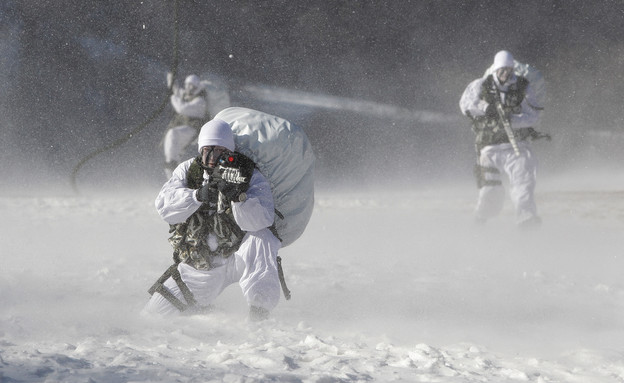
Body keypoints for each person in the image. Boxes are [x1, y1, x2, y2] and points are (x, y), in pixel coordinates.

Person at [144, 118, 283, 321]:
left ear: (229, 151)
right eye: (207, 149)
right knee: (152, 317)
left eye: (219, 150)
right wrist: (197, 196)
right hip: (202, 263)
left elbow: (262, 220)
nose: (211, 156)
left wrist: (238, 198)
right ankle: (201, 309)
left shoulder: (247, 173)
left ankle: (259, 312)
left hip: (238, 256)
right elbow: (165, 207)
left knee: (261, 238)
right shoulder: (188, 171)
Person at [459, 50, 550, 228]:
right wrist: (486, 109)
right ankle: (480, 219)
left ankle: (527, 220)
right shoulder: (481, 86)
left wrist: (513, 120)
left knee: (523, 184)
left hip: (517, 146)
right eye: (502, 70)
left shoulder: (523, 87)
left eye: (509, 70)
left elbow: (534, 116)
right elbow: (465, 105)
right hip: (489, 147)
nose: (505, 74)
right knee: (490, 190)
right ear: (496, 69)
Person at [162, 74, 210, 178]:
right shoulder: (187, 96)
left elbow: (182, 108)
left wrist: (173, 97)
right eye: (187, 86)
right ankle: (172, 167)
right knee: (173, 142)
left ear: (197, 87)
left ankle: (171, 164)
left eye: (192, 86)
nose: (189, 89)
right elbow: (176, 89)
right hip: (186, 130)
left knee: (173, 134)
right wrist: (171, 77)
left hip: (193, 131)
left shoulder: (200, 101)